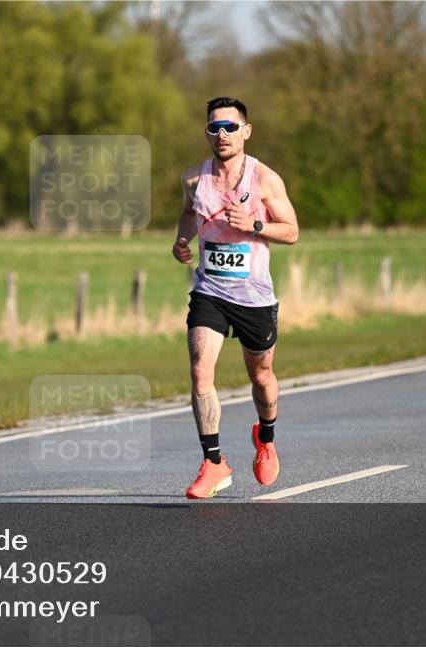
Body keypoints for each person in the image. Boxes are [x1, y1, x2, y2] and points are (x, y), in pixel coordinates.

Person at [171, 96, 299, 499]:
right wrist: (181, 240)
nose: (222, 135)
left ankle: (266, 437)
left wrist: (255, 224)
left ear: (246, 131)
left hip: (254, 297)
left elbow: (292, 231)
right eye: (214, 128)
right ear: (206, 133)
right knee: (199, 372)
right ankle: (213, 462)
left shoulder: (265, 180)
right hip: (209, 290)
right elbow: (190, 212)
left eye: (230, 127)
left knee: (260, 376)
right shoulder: (194, 178)